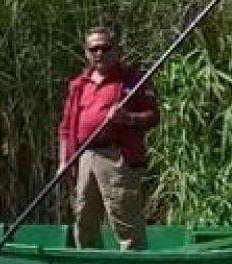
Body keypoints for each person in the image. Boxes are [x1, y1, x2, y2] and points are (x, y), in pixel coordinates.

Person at [57, 27, 159, 250]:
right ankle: (89, 262)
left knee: (123, 212)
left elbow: (153, 116)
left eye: (105, 48)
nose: (99, 53)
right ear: (86, 52)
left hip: (116, 156)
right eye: (94, 49)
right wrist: (64, 161)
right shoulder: (78, 84)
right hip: (84, 156)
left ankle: (134, 263)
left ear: (115, 50)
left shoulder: (133, 80)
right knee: (84, 216)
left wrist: (128, 118)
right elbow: (65, 128)